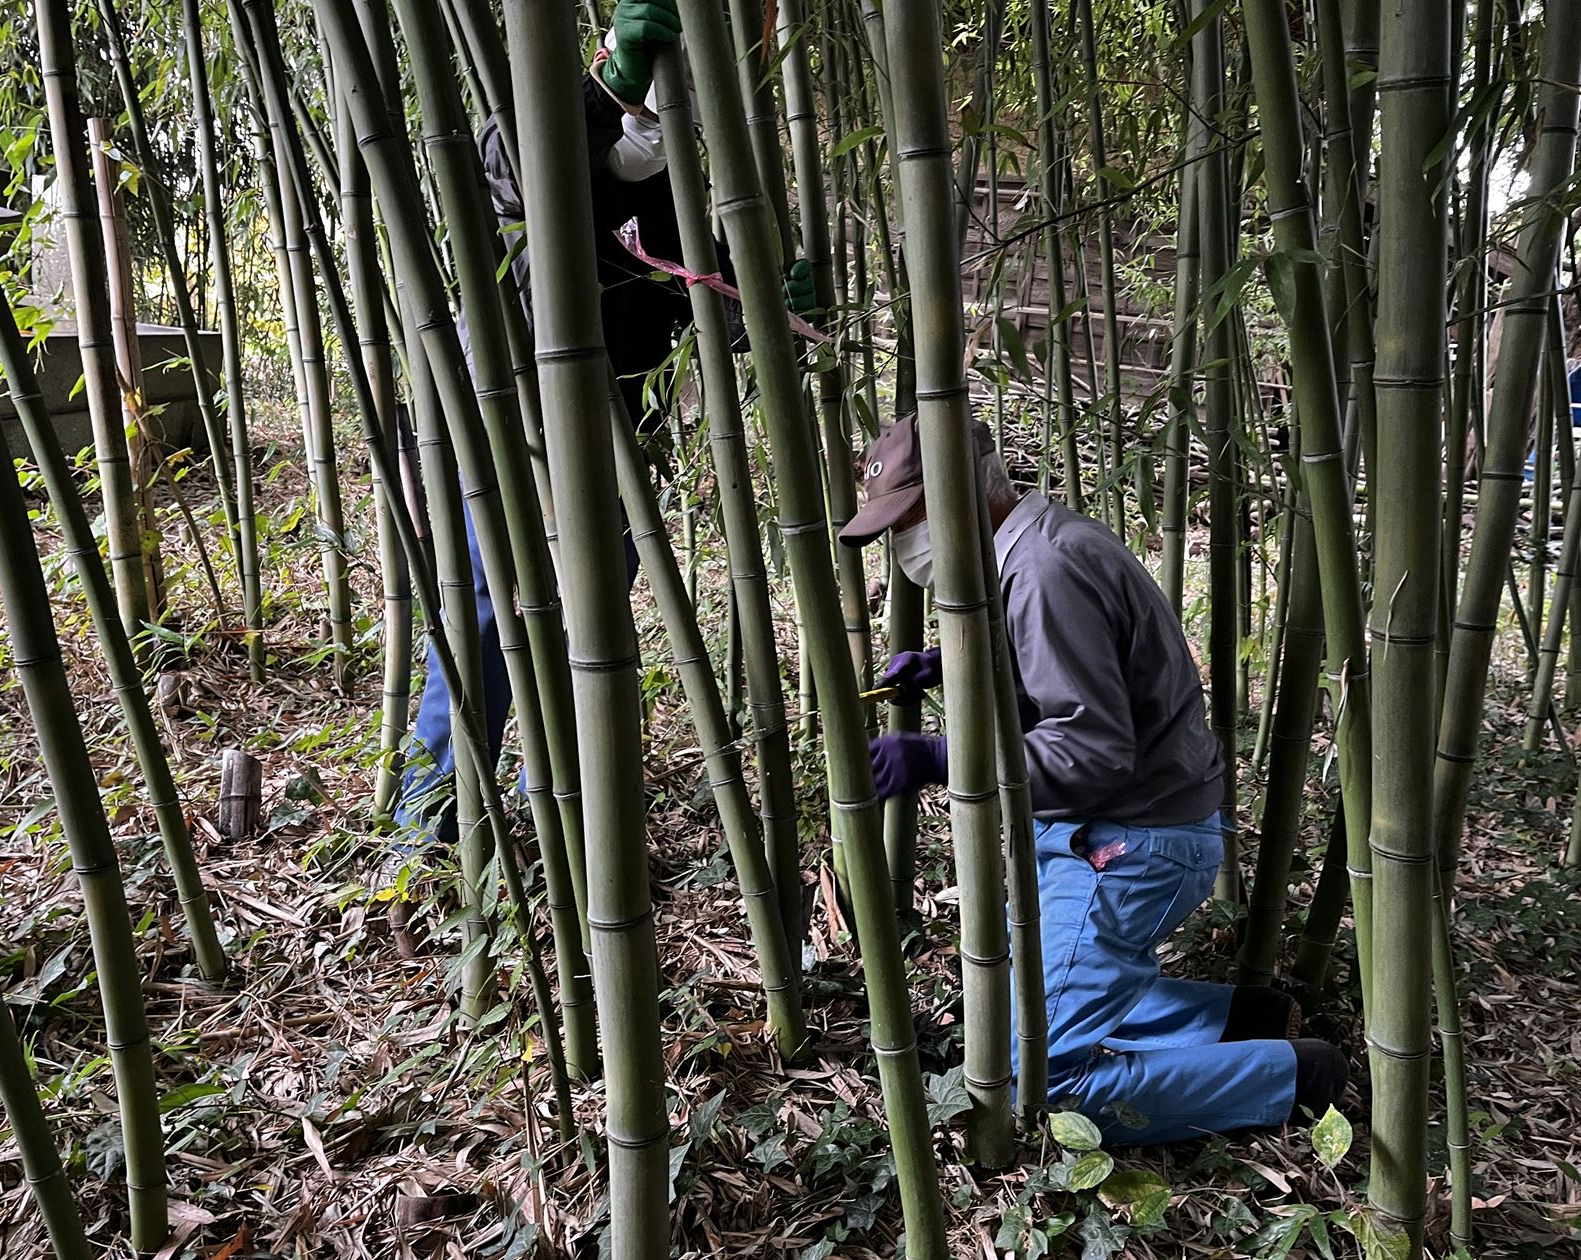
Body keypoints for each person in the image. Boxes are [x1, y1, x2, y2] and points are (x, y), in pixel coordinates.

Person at [838, 417, 1349, 1145]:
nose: (904, 544)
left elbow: (1093, 749)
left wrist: (944, 758)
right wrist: (950, 668)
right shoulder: (1027, 550)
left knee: (1026, 1081)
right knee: (1014, 994)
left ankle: (1292, 1078)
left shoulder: (1045, 571)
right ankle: (1237, 1021)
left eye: (909, 520)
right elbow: (1059, 683)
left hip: (1132, 844)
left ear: (964, 494)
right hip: (1113, 828)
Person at [391, 0, 814, 862]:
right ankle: (425, 827)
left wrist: (768, 308)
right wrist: (610, 85)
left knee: (600, 592)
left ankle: (553, 804)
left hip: (615, 421)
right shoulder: (550, 106)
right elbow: (508, 178)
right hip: (505, 412)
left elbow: (691, 287)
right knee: (486, 602)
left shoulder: (687, 171)